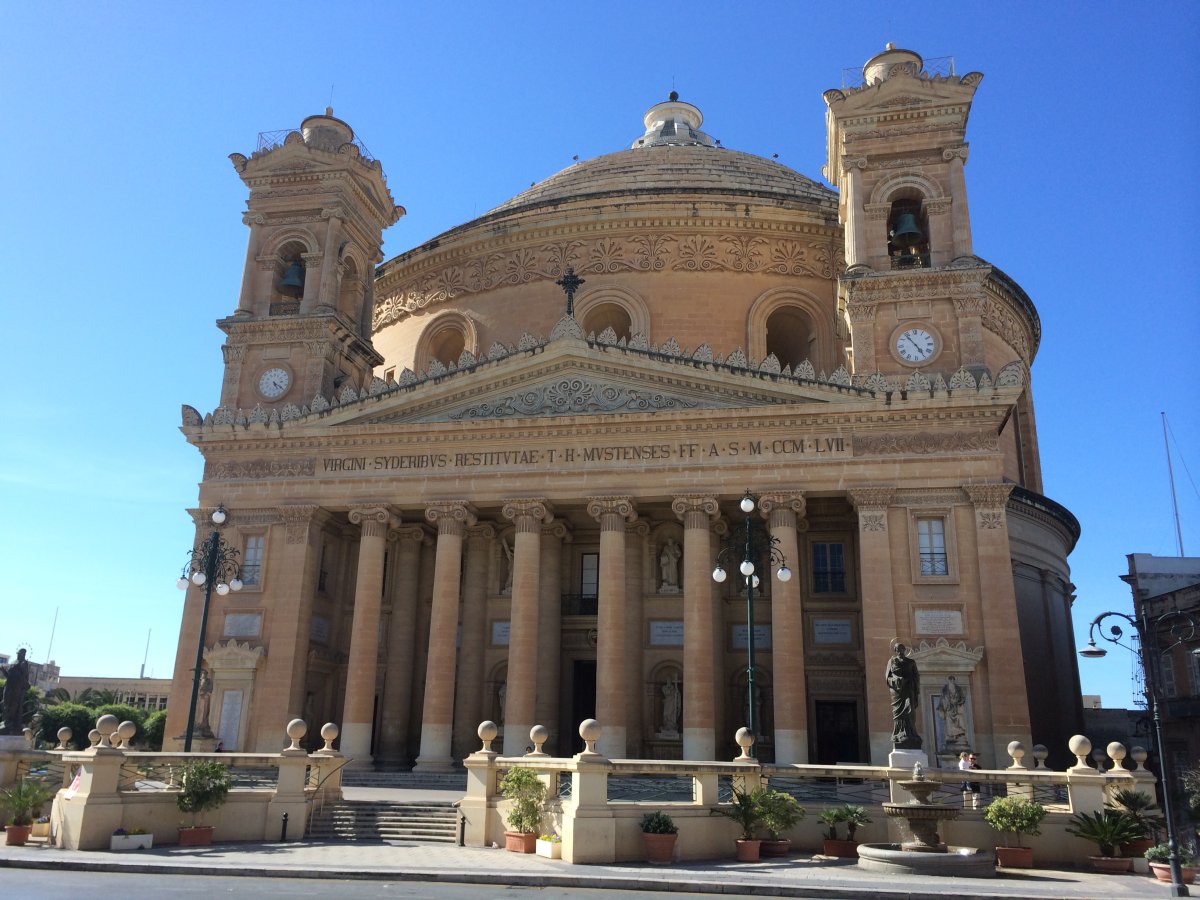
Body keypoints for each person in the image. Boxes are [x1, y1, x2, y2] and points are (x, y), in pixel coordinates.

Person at [885, 641, 922, 749]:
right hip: (897, 691)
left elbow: (917, 677)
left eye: (901, 649)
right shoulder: (891, 661)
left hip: (909, 689)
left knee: (910, 710)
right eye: (897, 649)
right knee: (898, 713)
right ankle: (899, 733)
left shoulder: (911, 662)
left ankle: (911, 733)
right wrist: (897, 681)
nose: (899, 651)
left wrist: (910, 681)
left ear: (904, 650)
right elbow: (888, 678)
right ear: (895, 650)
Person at [0, 648, 30, 735]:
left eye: (22, 654)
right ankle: (6, 721)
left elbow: (25, 676)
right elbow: (9, 676)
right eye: (19, 653)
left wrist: (21, 668)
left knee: (14, 705)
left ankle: (11, 723)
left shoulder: (24, 663)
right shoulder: (13, 662)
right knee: (5, 703)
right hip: (8, 686)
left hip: (16, 688)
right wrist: (3, 670)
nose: (20, 655)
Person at [937, 675, 967, 748]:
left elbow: (962, 697)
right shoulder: (945, 689)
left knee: (959, 720)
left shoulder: (958, 689)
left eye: (953, 679)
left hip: (956, 708)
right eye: (950, 680)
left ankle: (958, 736)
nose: (951, 681)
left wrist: (959, 702)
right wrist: (941, 708)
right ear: (948, 680)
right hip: (948, 709)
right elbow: (942, 698)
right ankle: (951, 737)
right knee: (948, 722)